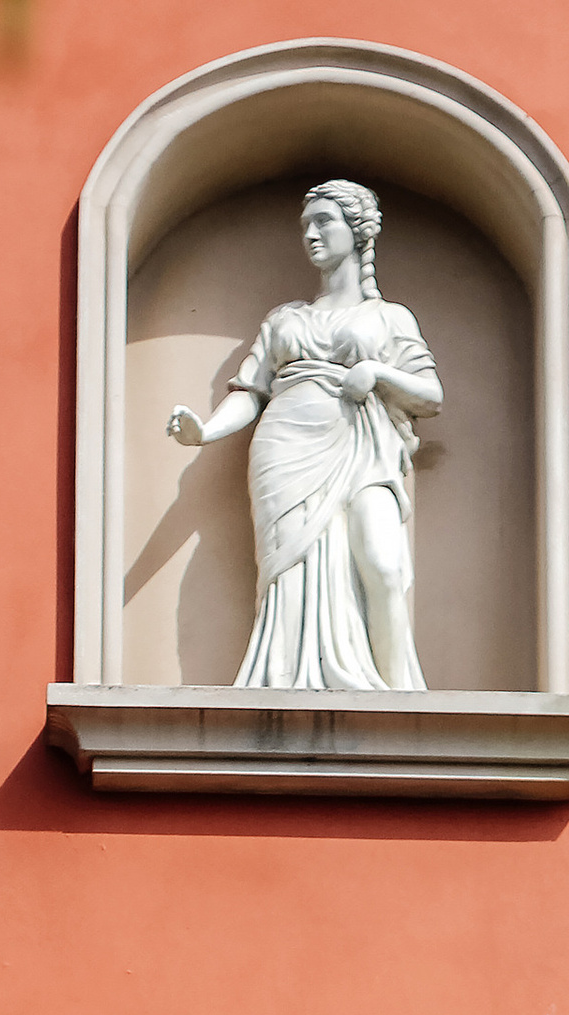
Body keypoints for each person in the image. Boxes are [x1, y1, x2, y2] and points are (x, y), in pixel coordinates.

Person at [167, 178, 442, 694]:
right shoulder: (285, 320)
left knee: (382, 564)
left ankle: (402, 694)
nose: (310, 235)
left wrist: (380, 376)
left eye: (323, 222)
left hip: (364, 449)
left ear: (357, 231)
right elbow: (250, 392)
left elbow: (431, 394)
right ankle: (288, 679)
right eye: (305, 226)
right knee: (291, 573)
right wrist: (203, 432)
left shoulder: (389, 317)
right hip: (284, 450)